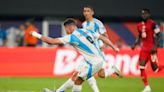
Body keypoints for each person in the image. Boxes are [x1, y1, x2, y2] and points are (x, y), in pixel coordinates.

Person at [31, 18, 122, 92]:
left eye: (65, 28)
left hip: (94, 62)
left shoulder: (72, 37)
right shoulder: (86, 30)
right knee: (75, 76)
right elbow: (102, 37)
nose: (65, 30)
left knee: (78, 81)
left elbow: (52, 41)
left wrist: (36, 34)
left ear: (69, 27)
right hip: (92, 59)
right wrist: (113, 47)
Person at [53, 5, 116, 92]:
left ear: (92, 12)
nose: (86, 13)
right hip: (88, 54)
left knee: (98, 75)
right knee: (78, 76)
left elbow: (105, 36)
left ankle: (112, 70)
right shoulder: (84, 24)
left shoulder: (97, 23)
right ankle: (58, 91)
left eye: (88, 11)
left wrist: (104, 46)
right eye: (84, 11)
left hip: (97, 52)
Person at [131, 8, 163, 92]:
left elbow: (159, 35)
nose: (144, 15)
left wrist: (155, 46)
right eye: (142, 14)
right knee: (141, 66)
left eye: (145, 14)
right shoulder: (139, 25)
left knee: (155, 70)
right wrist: (135, 44)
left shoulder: (152, 23)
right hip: (144, 49)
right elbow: (139, 36)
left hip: (152, 49)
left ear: (149, 15)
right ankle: (147, 87)